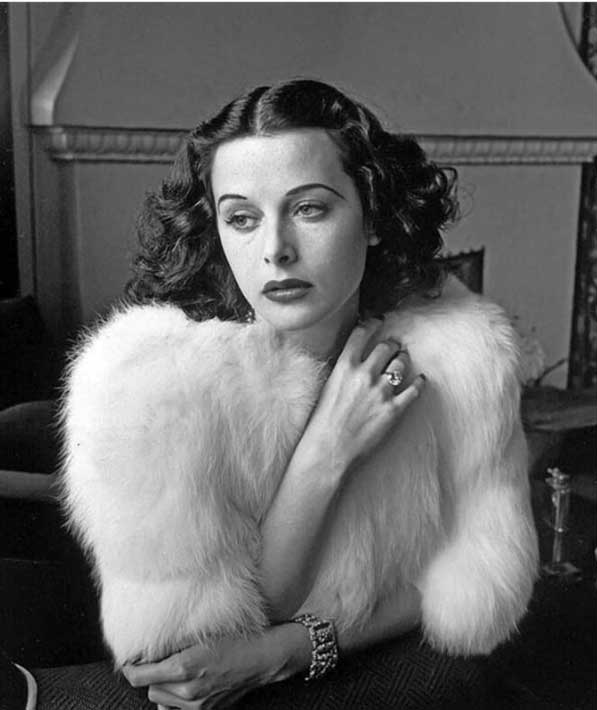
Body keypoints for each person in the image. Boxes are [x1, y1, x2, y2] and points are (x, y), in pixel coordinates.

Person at [55, 80, 538, 707]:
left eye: (309, 209)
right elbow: (191, 661)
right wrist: (327, 450)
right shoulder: (156, 389)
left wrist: (295, 648)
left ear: (372, 216)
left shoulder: (460, 353)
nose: (275, 251)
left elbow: (473, 582)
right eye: (242, 218)